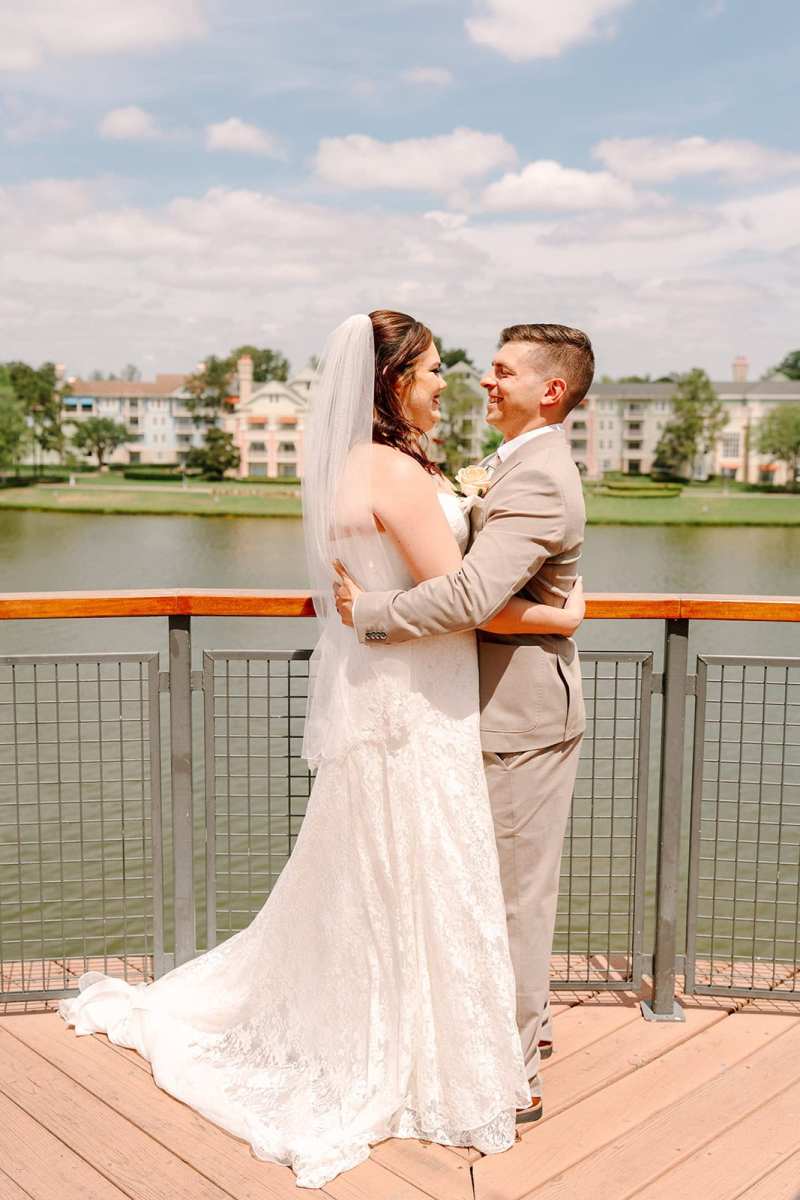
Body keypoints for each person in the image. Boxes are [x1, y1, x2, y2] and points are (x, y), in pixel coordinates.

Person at [58, 311, 582, 1188]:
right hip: (421, 698)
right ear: (392, 382)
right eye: (432, 369)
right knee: (429, 876)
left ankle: (412, 1030)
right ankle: (441, 1052)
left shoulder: (357, 465)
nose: (449, 382)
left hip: (391, 698)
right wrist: (565, 614)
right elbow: (464, 599)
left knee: (386, 877)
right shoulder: (395, 472)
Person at [334, 321, 591, 1121]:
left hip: (519, 718)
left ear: (550, 390)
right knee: (483, 887)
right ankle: (526, 1031)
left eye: (501, 370)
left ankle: (513, 1080)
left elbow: (474, 597)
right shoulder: (508, 466)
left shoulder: (540, 476)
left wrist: (369, 614)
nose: (483, 381)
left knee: (512, 899)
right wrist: (556, 616)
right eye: (474, 367)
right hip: (468, 707)